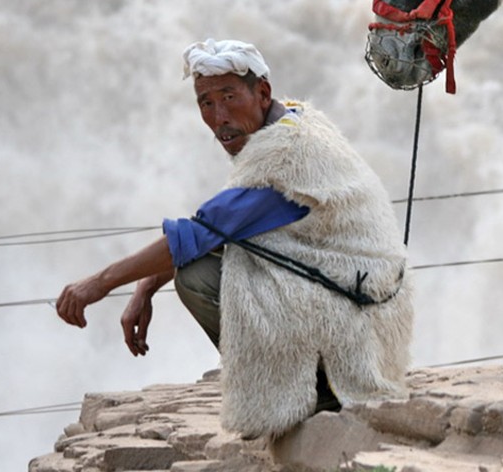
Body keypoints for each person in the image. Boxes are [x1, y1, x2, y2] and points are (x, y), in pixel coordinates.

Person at [56, 38, 413, 439]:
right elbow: (220, 228)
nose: (218, 116)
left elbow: (201, 234)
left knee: (196, 277)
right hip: (361, 299)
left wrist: (99, 284)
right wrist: (145, 288)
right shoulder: (292, 121)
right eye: (206, 103)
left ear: (262, 93)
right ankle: (300, 378)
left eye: (229, 97)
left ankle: (310, 392)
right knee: (215, 261)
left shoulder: (286, 155)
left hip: (358, 317)